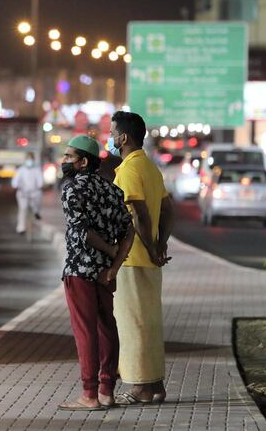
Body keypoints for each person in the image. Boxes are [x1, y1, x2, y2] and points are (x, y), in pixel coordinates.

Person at [57, 135, 135, 411]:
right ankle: (106, 392)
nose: (64, 161)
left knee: (85, 332)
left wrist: (110, 252)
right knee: (106, 328)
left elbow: (82, 233)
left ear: (83, 162)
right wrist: (114, 265)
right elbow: (129, 231)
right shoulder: (111, 189)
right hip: (104, 274)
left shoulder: (72, 190)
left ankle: (89, 395)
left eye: (69, 157)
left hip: (80, 270)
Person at [107, 111, 175, 405]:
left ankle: (139, 388)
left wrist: (149, 246)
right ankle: (156, 384)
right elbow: (167, 209)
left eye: (112, 133)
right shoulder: (150, 167)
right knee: (149, 322)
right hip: (150, 260)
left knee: (132, 324)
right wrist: (161, 245)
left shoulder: (128, 169)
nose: (110, 138)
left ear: (124, 137)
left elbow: (136, 212)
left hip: (133, 258)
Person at [12, 152, 43, 233]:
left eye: (31, 159)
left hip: (34, 192)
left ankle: (37, 212)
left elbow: (40, 182)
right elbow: (15, 182)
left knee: (37, 202)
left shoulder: (37, 170)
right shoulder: (20, 170)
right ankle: (21, 227)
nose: (29, 161)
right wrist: (16, 186)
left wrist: (39, 186)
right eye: (28, 159)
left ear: (33, 160)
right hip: (23, 193)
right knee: (23, 208)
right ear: (25, 160)